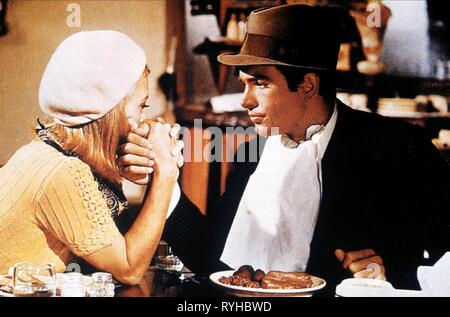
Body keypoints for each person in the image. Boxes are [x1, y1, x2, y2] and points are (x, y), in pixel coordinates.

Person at [120, 5, 450, 294]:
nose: (245, 101)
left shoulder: (396, 147)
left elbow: (440, 252)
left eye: (261, 83)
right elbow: (214, 258)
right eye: (244, 83)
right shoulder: (252, 151)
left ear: (308, 85)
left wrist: (389, 271)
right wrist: (163, 181)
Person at [0, 30, 183, 285]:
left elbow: (110, 245)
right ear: (112, 111)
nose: (142, 121)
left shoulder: (46, 151)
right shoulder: (63, 172)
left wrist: (120, 172)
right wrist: (166, 171)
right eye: (142, 106)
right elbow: (128, 269)